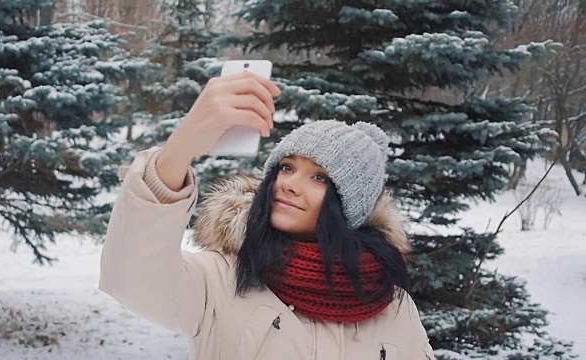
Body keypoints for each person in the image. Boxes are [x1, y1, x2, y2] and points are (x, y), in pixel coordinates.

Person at [99, 70, 435, 360]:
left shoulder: (390, 302)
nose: (288, 184)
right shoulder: (222, 278)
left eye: (319, 177)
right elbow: (131, 279)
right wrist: (180, 148)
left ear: (351, 205)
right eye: (286, 167)